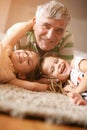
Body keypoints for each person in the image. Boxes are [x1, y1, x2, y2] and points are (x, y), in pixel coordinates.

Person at [4, 0, 74, 64]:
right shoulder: (18, 34)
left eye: (59, 30)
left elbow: (65, 74)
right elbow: (3, 64)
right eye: (46, 26)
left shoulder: (66, 39)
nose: (50, 36)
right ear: (34, 23)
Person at [0, 20, 49, 92]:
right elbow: (20, 30)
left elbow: (34, 87)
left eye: (29, 62)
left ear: (22, 75)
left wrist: (49, 85)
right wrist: (33, 22)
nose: (25, 56)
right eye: (26, 52)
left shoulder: (10, 78)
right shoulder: (7, 47)